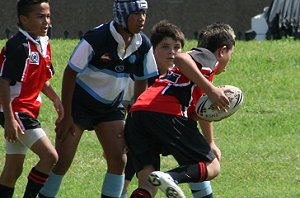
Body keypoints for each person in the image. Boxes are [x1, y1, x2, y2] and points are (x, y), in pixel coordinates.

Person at [38, 0, 158, 198]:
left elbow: (141, 82)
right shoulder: (97, 38)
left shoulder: (142, 43)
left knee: (119, 161)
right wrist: (67, 115)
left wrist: (134, 121)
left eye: (144, 13)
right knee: (62, 160)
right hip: (80, 105)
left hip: (111, 107)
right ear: (121, 15)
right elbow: (70, 74)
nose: (142, 18)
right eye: (136, 14)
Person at [124, 22, 235, 198]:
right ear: (222, 51)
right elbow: (181, 58)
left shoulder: (193, 75)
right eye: (231, 54)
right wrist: (211, 89)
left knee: (147, 181)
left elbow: (198, 113)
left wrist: (210, 142)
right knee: (212, 167)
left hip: (138, 113)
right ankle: (170, 177)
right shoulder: (206, 57)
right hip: (165, 113)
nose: (229, 61)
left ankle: (159, 181)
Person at [0, 0, 64, 198]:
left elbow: (41, 79)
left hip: (25, 111)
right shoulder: (18, 46)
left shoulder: (43, 42)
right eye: (40, 16)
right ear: (23, 19)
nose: (46, 22)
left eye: (47, 16)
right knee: (50, 156)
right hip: (16, 111)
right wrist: (9, 119)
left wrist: (56, 99)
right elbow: (3, 81)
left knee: (12, 170)